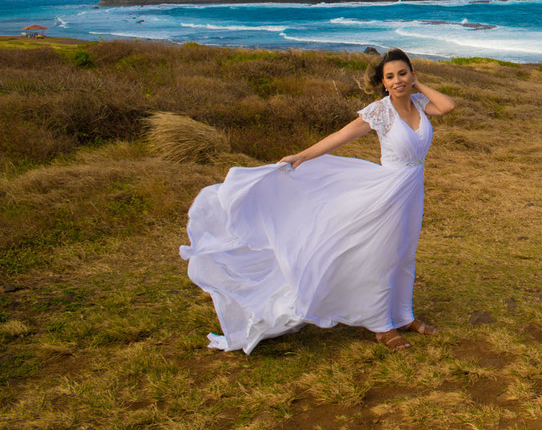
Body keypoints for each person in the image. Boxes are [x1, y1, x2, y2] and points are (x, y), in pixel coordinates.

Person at [180, 48, 456, 353]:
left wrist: (416, 84)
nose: (397, 80)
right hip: (386, 192)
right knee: (383, 256)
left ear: (412, 74)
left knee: (405, 254)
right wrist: (303, 156)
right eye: (390, 76)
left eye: (403, 73)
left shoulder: (419, 103)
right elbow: (340, 136)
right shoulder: (380, 111)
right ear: (383, 82)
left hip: (413, 190)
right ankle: (381, 325)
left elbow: (448, 106)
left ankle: (404, 315)